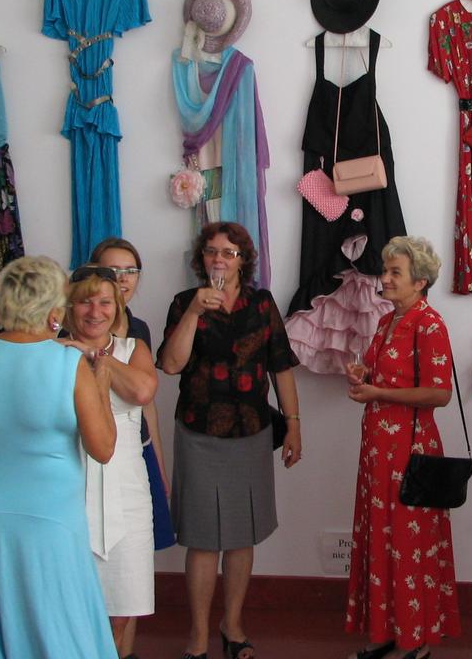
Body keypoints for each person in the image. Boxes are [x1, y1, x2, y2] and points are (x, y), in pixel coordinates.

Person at [0, 255, 117, 658]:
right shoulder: (69, 362)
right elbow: (103, 448)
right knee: (58, 610)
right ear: (55, 310)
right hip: (49, 508)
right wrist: (102, 383)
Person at [158, 221, 303, 659]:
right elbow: (171, 365)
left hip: (251, 432)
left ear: (243, 261)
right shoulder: (184, 302)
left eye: (228, 252)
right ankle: (198, 635)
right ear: (201, 259)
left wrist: (294, 423)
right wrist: (193, 314)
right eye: (211, 251)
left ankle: (233, 625)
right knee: (203, 538)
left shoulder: (261, 303)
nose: (218, 259)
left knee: (241, 536)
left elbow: (280, 366)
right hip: (199, 431)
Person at [344, 236, 462, 659]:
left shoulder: (430, 324)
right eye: (386, 270)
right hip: (378, 450)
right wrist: (363, 375)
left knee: (409, 544)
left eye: (396, 272)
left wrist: (379, 392)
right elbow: (383, 377)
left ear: (420, 281)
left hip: (410, 451)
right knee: (381, 539)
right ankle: (386, 632)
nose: (386, 278)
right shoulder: (386, 321)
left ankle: (416, 640)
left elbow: (439, 393)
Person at [62, 264, 159, 656]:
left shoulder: (133, 349)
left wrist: (96, 356)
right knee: (72, 612)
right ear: (69, 306)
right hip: (70, 489)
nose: (95, 312)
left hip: (127, 490)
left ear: (117, 307)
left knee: (121, 611)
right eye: (85, 302)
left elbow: (143, 391)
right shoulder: (54, 351)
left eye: (105, 302)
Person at [91, 237, 177, 659]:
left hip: (134, 452)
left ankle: (125, 652)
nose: (123, 280)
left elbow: (147, 404)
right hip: (92, 459)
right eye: (113, 271)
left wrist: (157, 461)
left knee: (132, 569)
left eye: (130, 271)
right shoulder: (73, 330)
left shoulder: (138, 330)